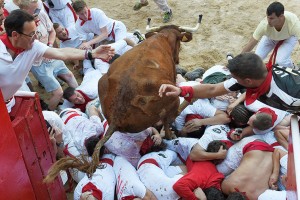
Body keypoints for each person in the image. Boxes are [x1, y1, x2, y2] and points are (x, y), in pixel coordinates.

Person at [159, 52, 300, 137]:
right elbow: (213, 90)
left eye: (236, 78)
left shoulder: (289, 94)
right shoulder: (256, 76)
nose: (233, 81)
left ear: (248, 81)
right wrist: (181, 91)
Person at [0, 9, 114, 113]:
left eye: (35, 33)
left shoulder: (32, 46)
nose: (36, 38)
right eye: (31, 34)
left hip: (10, 101)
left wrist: (92, 54)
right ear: (15, 35)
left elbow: (62, 53)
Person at [20, 0, 79, 111]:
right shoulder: (20, 25)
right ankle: (50, 113)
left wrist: (50, 45)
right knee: (58, 93)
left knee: (70, 75)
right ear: (24, 11)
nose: (37, 12)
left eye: (38, 8)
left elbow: (52, 31)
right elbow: (28, 45)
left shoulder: (41, 14)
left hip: (51, 55)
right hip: (38, 63)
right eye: (34, 10)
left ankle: (80, 97)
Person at [221, 139, 286, 200]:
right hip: (256, 147)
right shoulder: (226, 186)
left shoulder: (258, 197)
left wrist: (275, 174)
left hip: (271, 156)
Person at [241, 2, 300, 68]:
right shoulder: (264, 24)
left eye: (271, 18)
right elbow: (251, 43)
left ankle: (293, 69)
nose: (268, 21)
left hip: (289, 38)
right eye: (267, 17)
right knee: (257, 59)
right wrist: (237, 61)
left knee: (281, 61)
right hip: (270, 38)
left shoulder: (294, 23)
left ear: (281, 16)